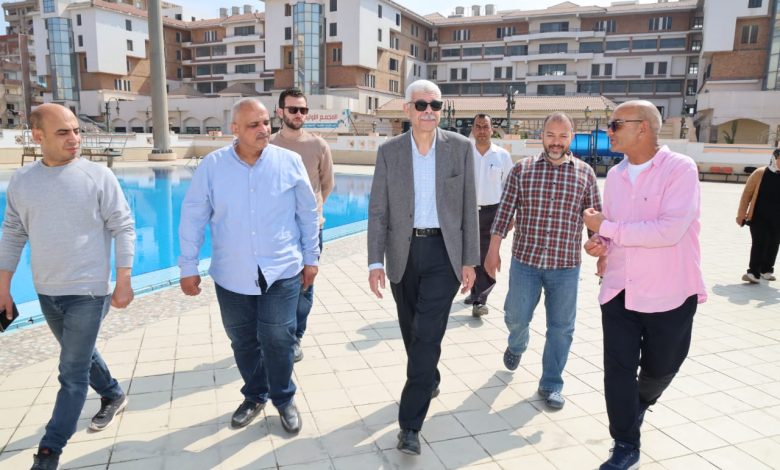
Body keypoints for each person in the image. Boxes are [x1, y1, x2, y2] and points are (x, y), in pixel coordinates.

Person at [0, 103, 135, 470]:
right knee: (81, 354)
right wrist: (3, 286)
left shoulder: (98, 176)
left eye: (76, 130)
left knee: (71, 372)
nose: (74, 138)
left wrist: (123, 279)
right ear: (38, 137)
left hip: (89, 292)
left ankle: (49, 451)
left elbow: (123, 227)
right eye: (63, 132)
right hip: (47, 291)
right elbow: (13, 233)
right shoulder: (22, 181)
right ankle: (113, 393)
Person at [178, 98, 319, 435]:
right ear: (235, 129)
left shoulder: (289, 162)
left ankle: (284, 399)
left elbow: (307, 212)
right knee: (242, 340)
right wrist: (188, 266)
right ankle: (255, 395)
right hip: (232, 273)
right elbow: (194, 215)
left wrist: (311, 258)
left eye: (265, 122)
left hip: (281, 269)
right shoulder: (213, 166)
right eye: (253, 125)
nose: (263, 129)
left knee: (278, 337)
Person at [582, 100, 707, 470]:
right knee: (617, 370)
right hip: (619, 290)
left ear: (644, 128)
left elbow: (669, 231)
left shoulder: (680, 169)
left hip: (669, 292)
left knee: (662, 367)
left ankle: (641, 403)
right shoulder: (616, 176)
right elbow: (614, 231)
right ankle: (625, 442)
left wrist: (605, 227)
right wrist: (600, 243)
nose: (609, 131)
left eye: (615, 124)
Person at [367, 79, 479, 455]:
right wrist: (375, 261)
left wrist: (469, 260)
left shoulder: (460, 148)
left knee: (427, 335)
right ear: (407, 110)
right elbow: (378, 210)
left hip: (444, 255)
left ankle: (410, 426)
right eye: (421, 105)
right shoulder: (389, 152)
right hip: (403, 254)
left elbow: (469, 208)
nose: (429, 111)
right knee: (412, 332)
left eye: (435, 105)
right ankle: (428, 376)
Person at [484, 112, 601, 410]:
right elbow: (504, 212)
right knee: (515, 316)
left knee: (561, 327)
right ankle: (517, 343)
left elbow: (596, 220)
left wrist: (602, 253)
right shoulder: (522, 170)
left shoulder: (586, 174)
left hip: (566, 267)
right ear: (542, 136)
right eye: (551, 135)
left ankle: (551, 383)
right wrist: (493, 250)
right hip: (526, 262)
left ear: (571, 137)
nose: (556, 142)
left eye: (563, 136)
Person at [271, 88, 334, 362]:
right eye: (293, 109)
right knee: (275, 283)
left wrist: (312, 213)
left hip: (310, 229)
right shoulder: (268, 145)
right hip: (277, 230)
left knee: (305, 283)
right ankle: (273, 334)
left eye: (303, 110)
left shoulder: (318, 145)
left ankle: (295, 336)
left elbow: (327, 184)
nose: (299, 114)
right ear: (280, 112)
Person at [465, 113, 514, 318]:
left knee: (487, 255)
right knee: (470, 254)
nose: (482, 131)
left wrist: (510, 216)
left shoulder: (502, 156)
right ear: (473, 129)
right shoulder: (464, 153)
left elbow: (510, 188)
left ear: (492, 129)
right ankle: (474, 291)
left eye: (486, 126)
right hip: (467, 212)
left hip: (493, 213)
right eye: (478, 126)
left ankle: (480, 300)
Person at [736, 148, 780, 283]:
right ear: (774, 158)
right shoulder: (760, 173)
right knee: (760, 242)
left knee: (774, 243)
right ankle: (753, 273)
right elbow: (746, 195)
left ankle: (766, 270)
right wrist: (741, 214)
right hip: (758, 217)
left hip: (777, 219)